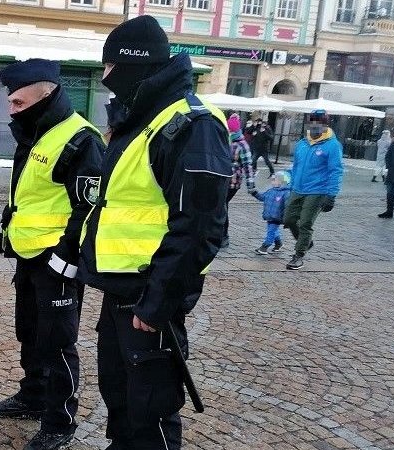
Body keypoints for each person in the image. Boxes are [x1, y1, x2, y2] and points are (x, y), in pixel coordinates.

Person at [79, 16, 231, 449]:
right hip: (119, 289)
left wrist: (158, 304)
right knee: (119, 397)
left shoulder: (190, 124)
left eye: (108, 67)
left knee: (152, 409)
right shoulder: (144, 119)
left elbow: (200, 229)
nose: (105, 79)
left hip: (149, 295)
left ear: (132, 64)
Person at [0, 58, 104, 450]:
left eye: (19, 103)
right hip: (29, 253)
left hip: (58, 260)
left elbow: (89, 207)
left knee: (58, 342)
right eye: (11, 103)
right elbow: (32, 194)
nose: (12, 111)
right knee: (30, 330)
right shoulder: (38, 132)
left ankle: (60, 422)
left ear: (47, 93)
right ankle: (33, 394)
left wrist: (65, 257)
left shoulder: (81, 138)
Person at [283, 110, 343, 270]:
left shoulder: (332, 145)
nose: (314, 127)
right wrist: (289, 182)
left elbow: (335, 170)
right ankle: (306, 242)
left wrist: (331, 195)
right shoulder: (302, 143)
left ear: (324, 126)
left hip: (317, 191)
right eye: (312, 123)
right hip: (297, 188)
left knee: (305, 223)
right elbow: (295, 166)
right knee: (288, 219)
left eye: (318, 124)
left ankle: (298, 255)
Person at [223, 113, 256, 248]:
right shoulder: (225, 140)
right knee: (221, 206)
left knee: (222, 206)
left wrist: (251, 186)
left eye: (231, 130)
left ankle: (224, 236)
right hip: (221, 180)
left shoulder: (242, 144)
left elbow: (248, 165)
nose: (229, 132)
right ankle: (220, 234)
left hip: (233, 181)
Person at [251, 171, 292, 254]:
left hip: (277, 217)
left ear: (282, 182)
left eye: (275, 180)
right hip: (269, 216)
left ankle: (265, 246)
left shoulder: (286, 193)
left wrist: (286, 217)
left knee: (271, 231)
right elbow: (262, 197)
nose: (272, 181)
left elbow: (287, 206)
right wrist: (255, 193)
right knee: (273, 231)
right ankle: (278, 243)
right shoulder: (270, 191)